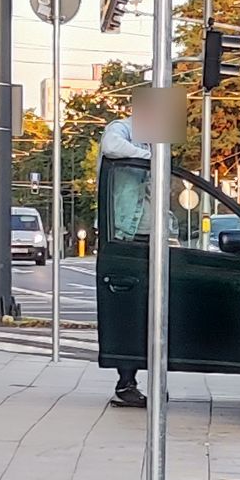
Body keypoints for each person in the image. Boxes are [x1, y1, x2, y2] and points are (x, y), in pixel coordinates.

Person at [101, 117, 151, 408]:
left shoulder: (159, 140)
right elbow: (111, 146)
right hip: (125, 234)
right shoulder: (122, 129)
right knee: (129, 311)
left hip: (152, 235)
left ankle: (146, 380)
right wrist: (150, 158)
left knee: (153, 312)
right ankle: (125, 383)